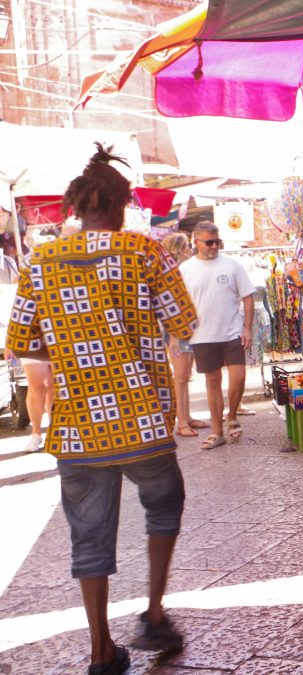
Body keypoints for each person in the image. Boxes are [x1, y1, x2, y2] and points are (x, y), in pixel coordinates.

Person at [6, 144, 197, 673]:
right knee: (164, 504)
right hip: (141, 420)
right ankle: (154, 615)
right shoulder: (144, 252)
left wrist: (69, 347)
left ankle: (100, 651)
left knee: (88, 538)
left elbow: (22, 339)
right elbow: (184, 323)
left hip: (77, 429)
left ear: (75, 207)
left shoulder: (40, 262)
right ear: (120, 205)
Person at [179, 221, 254, 449]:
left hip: (231, 332)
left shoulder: (232, 265)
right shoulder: (185, 269)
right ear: (196, 243)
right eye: (209, 242)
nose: (214, 246)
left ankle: (232, 415)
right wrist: (177, 334)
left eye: (217, 242)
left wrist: (247, 328)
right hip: (202, 335)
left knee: (239, 377)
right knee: (212, 383)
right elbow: (180, 303)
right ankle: (217, 431)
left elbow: (248, 297)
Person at [161, 233, 208, 438]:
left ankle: (186, 417)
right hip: (177, 330)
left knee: (184, 375)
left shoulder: (181, 271)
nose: (190, 249)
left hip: (186, 328)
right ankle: (181, 421)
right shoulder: (174, 272)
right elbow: (170, 305)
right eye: (187, 246)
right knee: (180, 377)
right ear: (180, 248)